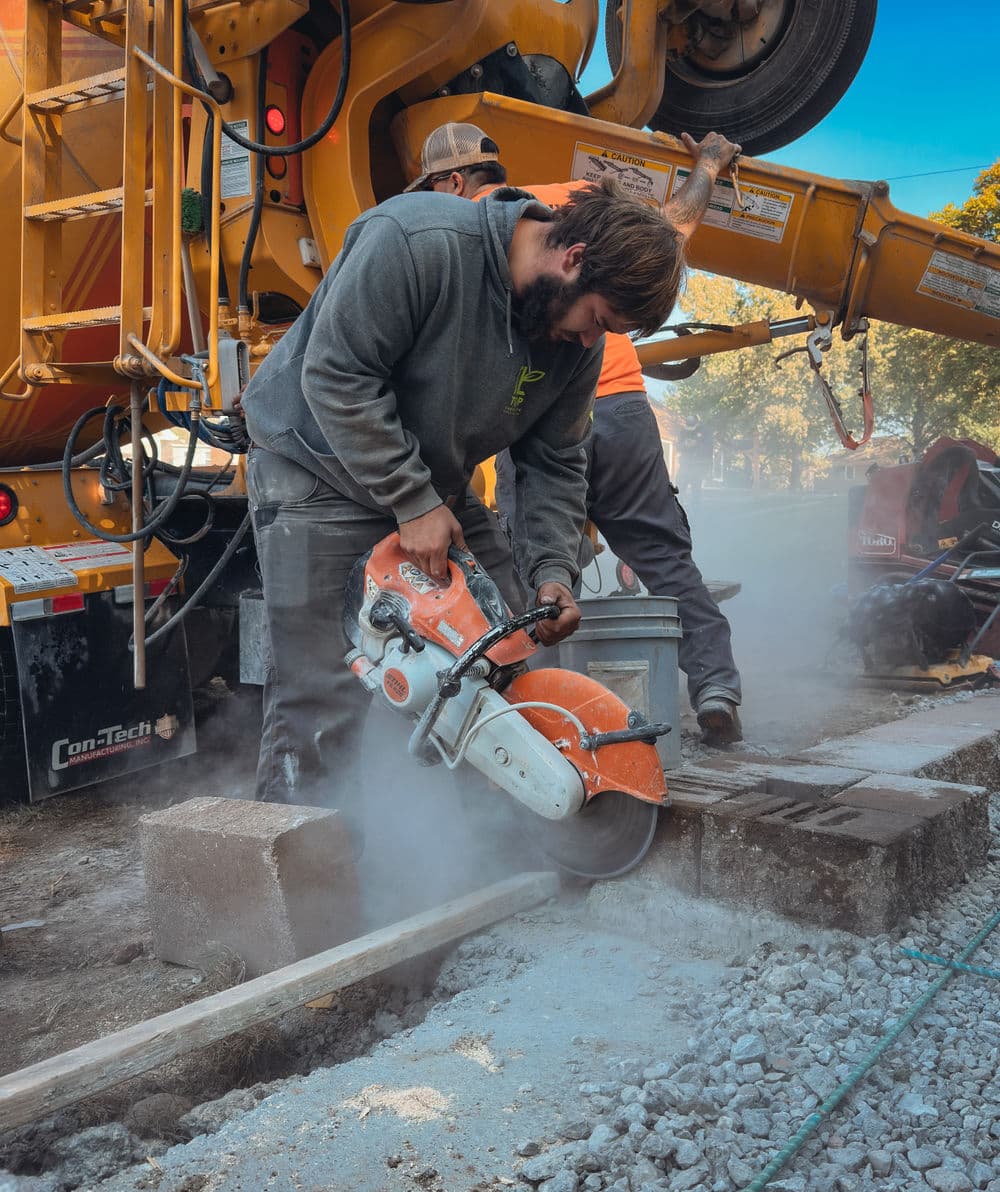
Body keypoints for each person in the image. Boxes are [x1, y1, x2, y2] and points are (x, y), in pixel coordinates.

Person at [239, 122, 737, 813]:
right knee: (323, 687)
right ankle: (303, 874)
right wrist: (413, 503)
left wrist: (552, 574)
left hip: (429, 477)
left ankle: (479, 841)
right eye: (597, 319)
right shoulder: (417, 241)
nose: (592, 340)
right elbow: (338, 376)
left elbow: (556, 461)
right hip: (314, 462)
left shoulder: (573, 337)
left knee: (504, 648)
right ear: (574, 256)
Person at [418, 124, 743, 746]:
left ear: (453, 182)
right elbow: (672, 231)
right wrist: (704, 166)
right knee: (662, 557)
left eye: (437, 188)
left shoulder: (485, 230)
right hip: (623, 409)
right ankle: (716, 686)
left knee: (520, 577)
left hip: (539, 413)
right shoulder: (586, 201)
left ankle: (538, 713)